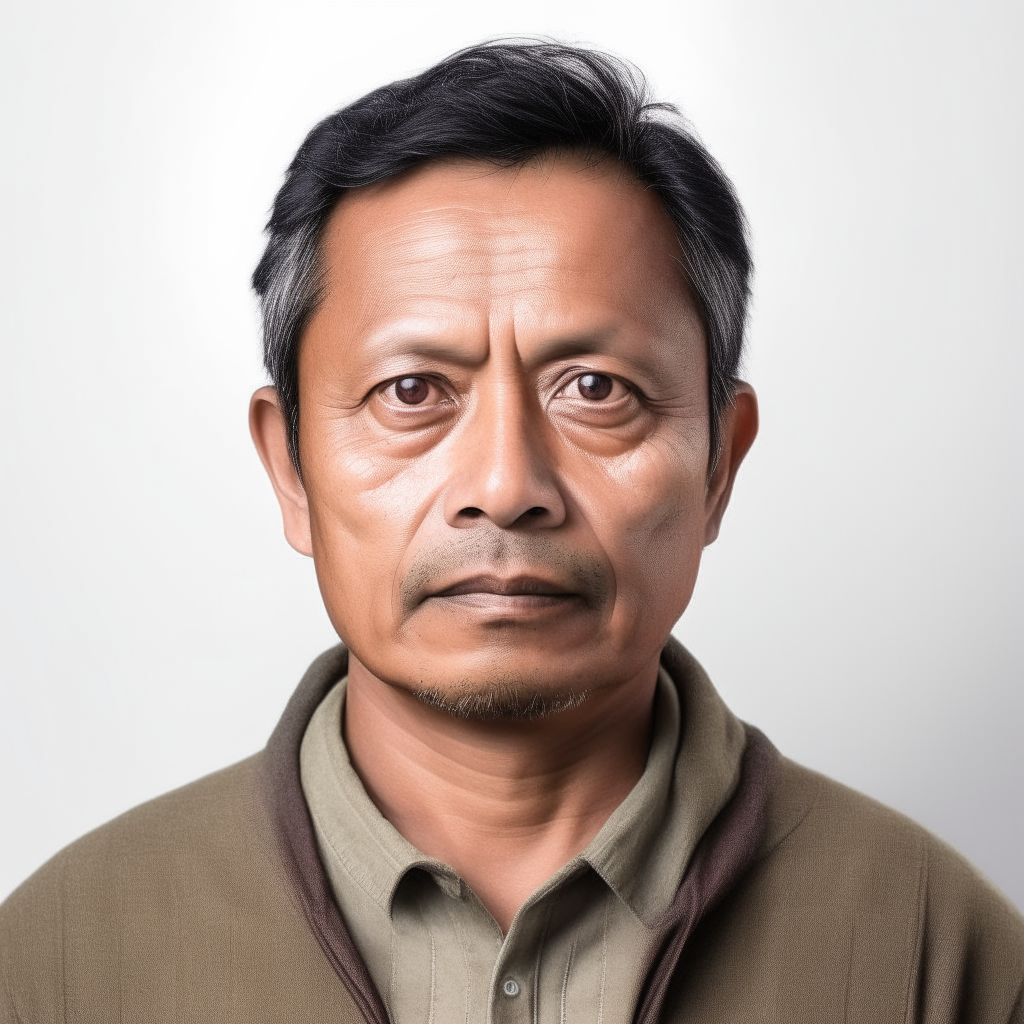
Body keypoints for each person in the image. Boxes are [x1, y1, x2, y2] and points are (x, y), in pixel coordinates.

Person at [1, 40, 1021, 1024]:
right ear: (291, 467)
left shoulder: (942, 955)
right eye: (411, 391)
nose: (504, 484)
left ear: (719, 463)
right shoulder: (57, 962)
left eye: (595, 389)